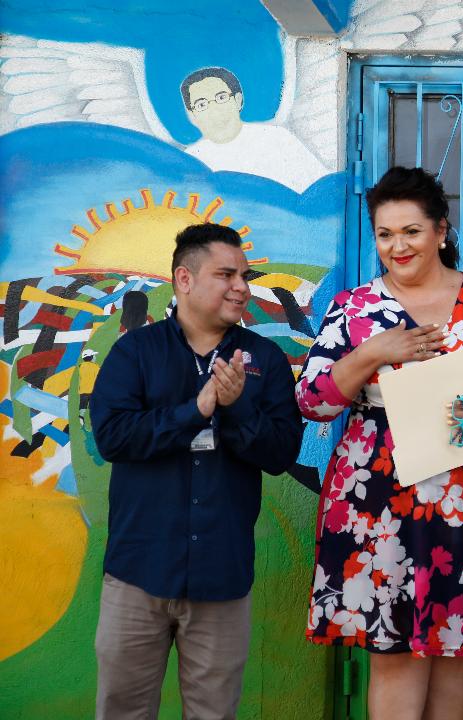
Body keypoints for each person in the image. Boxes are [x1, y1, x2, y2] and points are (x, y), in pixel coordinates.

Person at [295, 166, 463, 720]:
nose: (397, 246)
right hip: (381, 498)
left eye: (411, 231)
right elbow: (313, 400)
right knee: (394, 651)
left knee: (456, 645)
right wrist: (371, 353)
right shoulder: (353, 308)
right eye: (385, 234)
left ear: (440, 230)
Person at [90, 223, 304, 719]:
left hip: (222, 578)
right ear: (184, 280)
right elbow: (115, 437)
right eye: (226, 274)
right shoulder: (135, 352)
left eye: (245, 276)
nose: (242, 287)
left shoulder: (264, 360)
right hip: (138, 575)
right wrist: (198, 408)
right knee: (121, 711)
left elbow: (280, 453)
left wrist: (233, 409)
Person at [180, 66, 327, 192]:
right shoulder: (191, 160)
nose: (213, 108)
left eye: (221, 97)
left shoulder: (278, 139)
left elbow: (322, 187)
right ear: (192, 116)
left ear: (238, 100)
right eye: (201, 105)